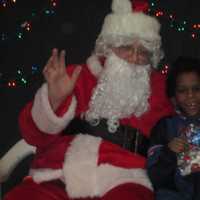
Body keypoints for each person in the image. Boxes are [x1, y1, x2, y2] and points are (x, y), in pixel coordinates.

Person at [3, 0, 174, 199]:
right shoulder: (75, 76)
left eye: (143, 51)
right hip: (57, 173)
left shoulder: (162, 88)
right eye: (126, 47)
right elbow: (33, 136)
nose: (134, 57)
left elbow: (185, 126)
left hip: (126, 177)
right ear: (109, 46)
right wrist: (54, 101)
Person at [147, 56, 200, 200]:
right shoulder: (165, 126)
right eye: (182, 90)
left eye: (196, 89)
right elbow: (155, 178)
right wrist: (168, 153)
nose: (191, 96)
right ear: (174, 96)